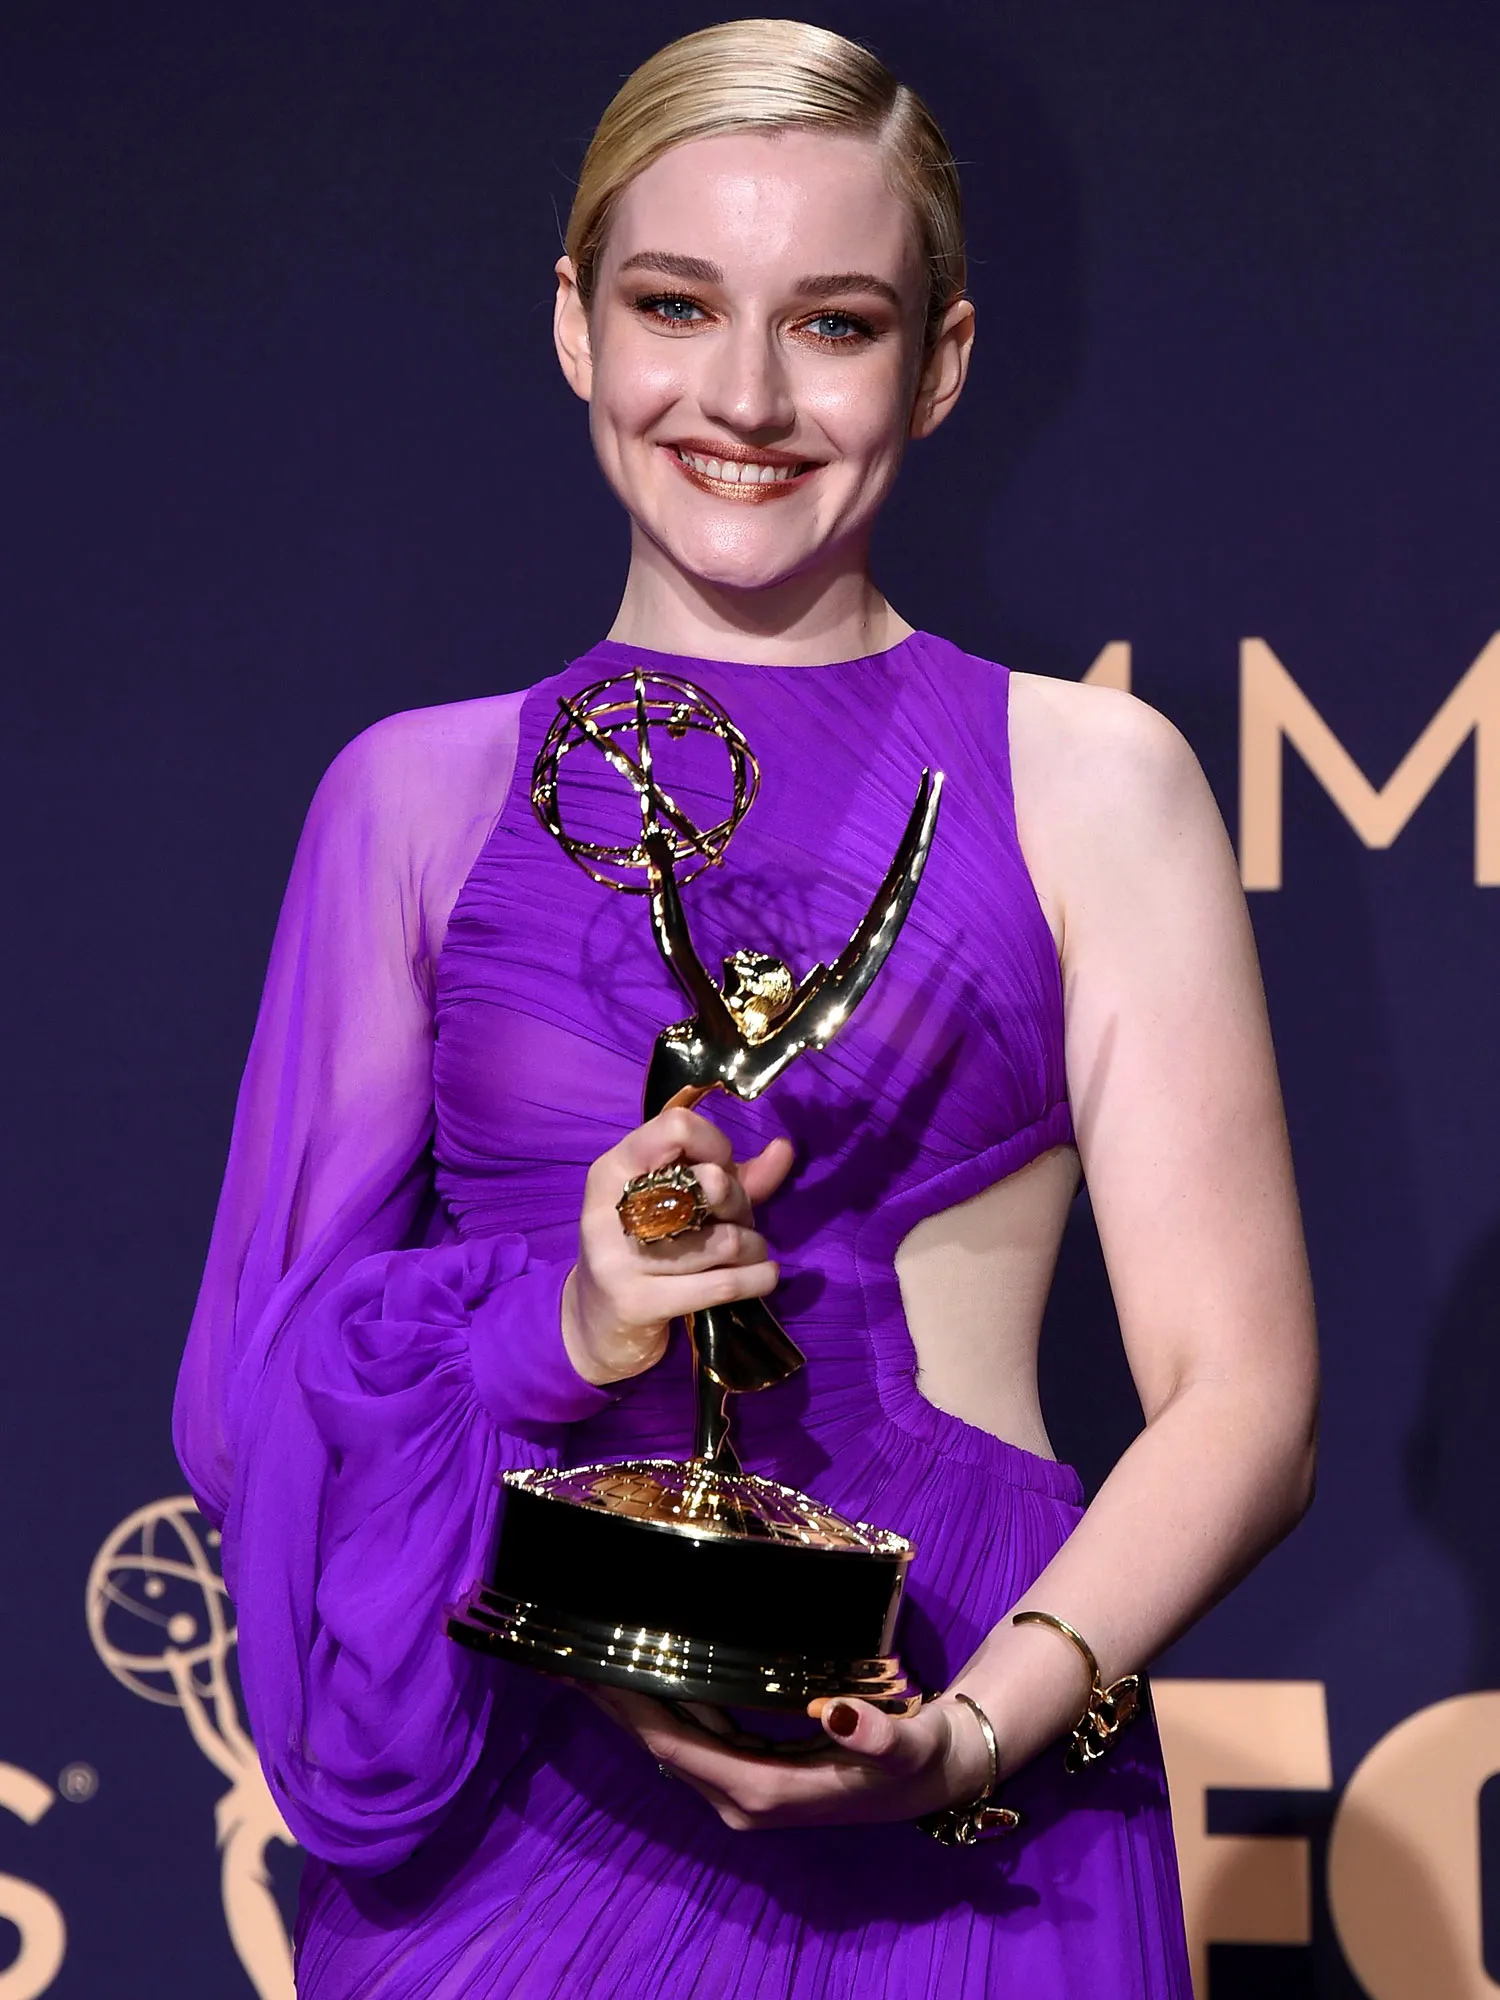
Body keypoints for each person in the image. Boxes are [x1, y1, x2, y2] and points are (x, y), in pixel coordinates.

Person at [173, 19, 1318, 1997]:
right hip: (517, 1813)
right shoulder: (416, 798)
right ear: (576, 323)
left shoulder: (1092, 778)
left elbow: (1245, 1399)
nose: (747, 395)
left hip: (964, 1774)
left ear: (940, 363)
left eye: (837, 323)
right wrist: (560, 1327)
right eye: (676, 304)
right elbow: (254, 1401)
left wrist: (970, 1737)